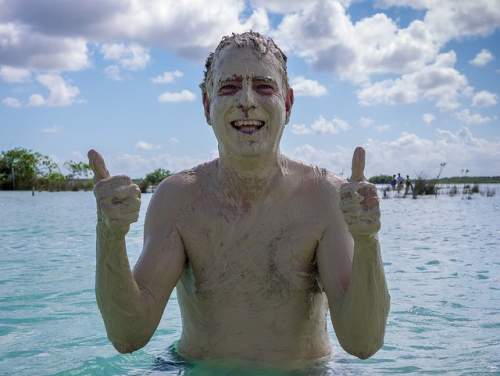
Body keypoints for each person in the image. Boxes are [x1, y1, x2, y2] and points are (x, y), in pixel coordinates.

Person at [88, 32, 390, 365]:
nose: (246, 100)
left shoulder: (324, 198)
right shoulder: (178, 199)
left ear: (287, 104)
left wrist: (366, 240)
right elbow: (128, 335)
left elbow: (363, 343)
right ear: (207, 105)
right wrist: (110, 233)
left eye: (264, 86)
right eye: (229, 87)